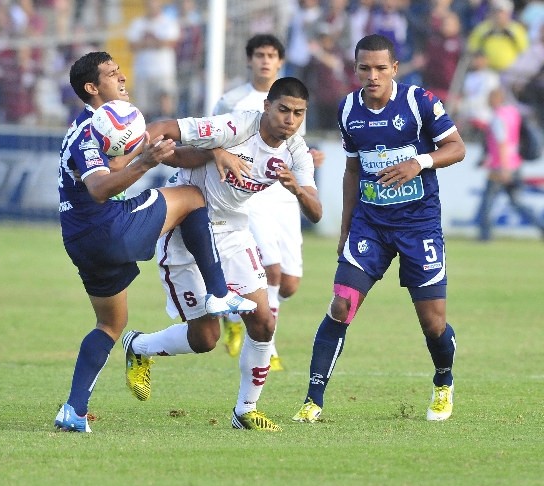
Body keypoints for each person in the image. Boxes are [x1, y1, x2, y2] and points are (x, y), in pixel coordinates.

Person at [53, 51, 256, 433]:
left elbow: (176, 155)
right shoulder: (88, 131)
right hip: (105, 227)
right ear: (92, 88)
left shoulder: (118, 124)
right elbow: (98, 188)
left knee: (110, 325)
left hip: (81, 241)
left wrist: (215, 151)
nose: (123, 78)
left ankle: (73, 410)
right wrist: (144, 164)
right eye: (112, 75)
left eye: (120, 71)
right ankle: (217, 292)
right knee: (192, 199)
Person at [121, 77, 323, 431]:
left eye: (298, 113)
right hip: (185, 225)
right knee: (205, 339)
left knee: (264, 321)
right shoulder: (234, 126)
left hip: (231, 232)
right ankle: (139, 346)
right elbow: (167, 132)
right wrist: (213, 150)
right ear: (266, 107)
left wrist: (297, 191)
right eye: (283, 110)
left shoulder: (296, 152)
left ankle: (246, 410)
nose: (290, 119)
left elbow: (316, 212)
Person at [292, 34, 466, 424]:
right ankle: (313, 400)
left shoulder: (419, 102)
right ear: (355, 69)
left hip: (418, 225)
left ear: (395, 69)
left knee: (433, 322)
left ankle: (443, 381)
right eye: (365, 68)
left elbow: (457, 147)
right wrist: (345, 229)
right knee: (341, 306)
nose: (372, 76)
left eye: (380, 68)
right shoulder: (348, 109)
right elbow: (352, 170)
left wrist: (419, 162)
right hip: (370, 225)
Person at [213, 34, 325, 371]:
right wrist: (221, 154)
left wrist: (309, 157)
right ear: (250, 60)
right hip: (252, 189)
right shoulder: (232, 100)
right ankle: (267, 346)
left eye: (272, 55)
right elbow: (214, 136)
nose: (265, 60)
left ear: (280, 61)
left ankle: (235, 312)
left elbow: (295, 145)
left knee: (289, 283)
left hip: (286, 192)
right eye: (259, 54)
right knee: (272, 270)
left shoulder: (292, 95)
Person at [478, 86, 544, 240]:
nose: (488, 101)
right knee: (516, 202)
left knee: (487, 202)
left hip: (501, 167)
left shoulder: (497, 117)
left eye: (490, 97)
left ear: (496, 99)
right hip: (516, 163)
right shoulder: (513, 113)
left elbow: (502, 143)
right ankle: (541, 226)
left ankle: (485, 236)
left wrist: (504, 168)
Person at [126, 0, 180, 121]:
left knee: (166, 105)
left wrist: (148, 41)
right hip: (142, 72)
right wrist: (155, 42)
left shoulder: (168, 22)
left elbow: (171, 42)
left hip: (163, 71)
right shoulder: (138, 23)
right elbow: (131, 45)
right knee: (143, 109)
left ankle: (170, 135)